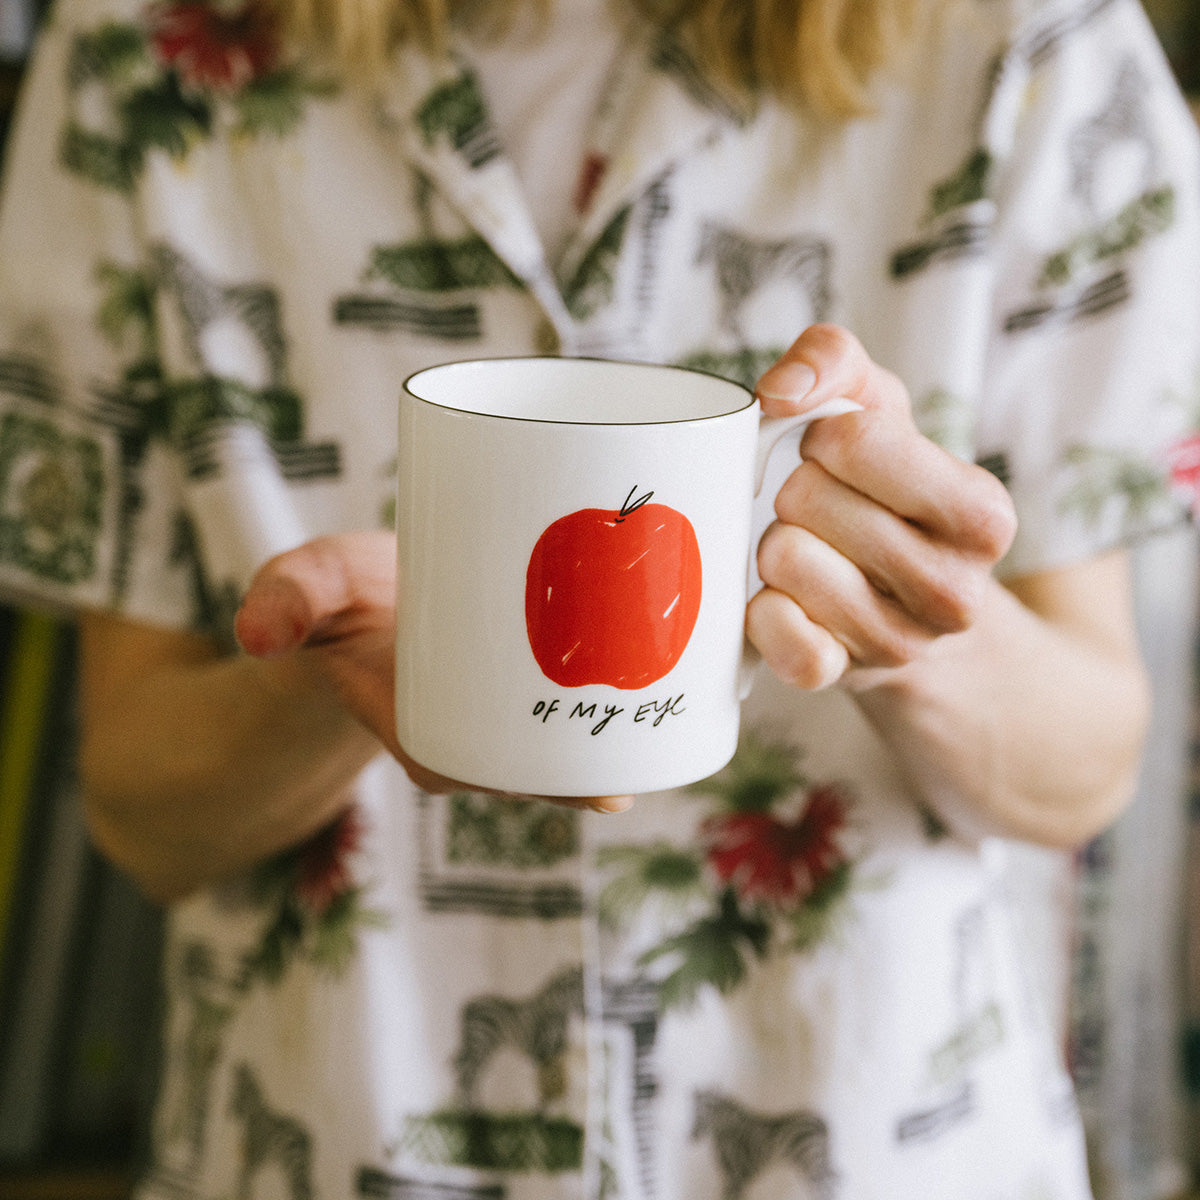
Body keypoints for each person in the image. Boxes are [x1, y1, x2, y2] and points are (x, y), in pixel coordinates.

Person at [0, 0, 1198, 1192]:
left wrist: (901, 620)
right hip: (337, 1137)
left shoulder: (1027, 44)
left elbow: (1088, 767)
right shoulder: (142, 55)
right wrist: (323, 679)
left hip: (870, 1140)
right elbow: (139, 810)